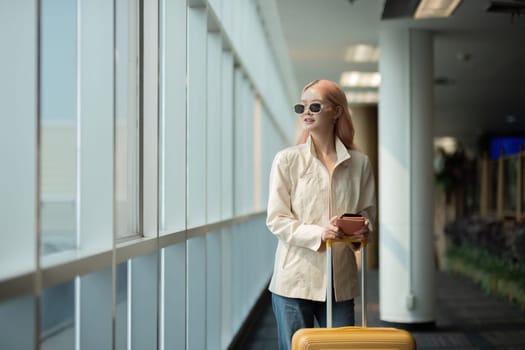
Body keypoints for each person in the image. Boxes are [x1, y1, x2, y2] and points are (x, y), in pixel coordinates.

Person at [266, 79, 376, 350]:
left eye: (315, 105)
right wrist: (319, 233)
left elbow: (366, 212)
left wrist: (363, 230)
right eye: (301, 106)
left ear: (336, 112)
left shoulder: (359, 163)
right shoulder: (287, 160)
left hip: (340, 280)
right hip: (295, 279)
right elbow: (276, 219)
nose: (307, 112)